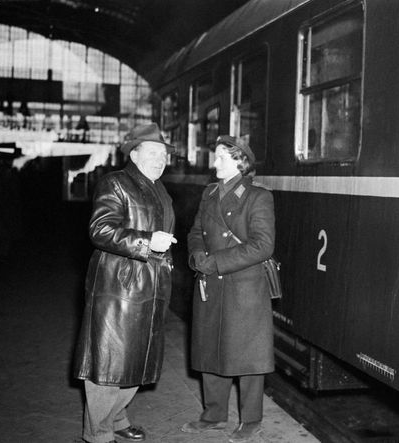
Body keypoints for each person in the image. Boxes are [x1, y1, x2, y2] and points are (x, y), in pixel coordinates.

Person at [73, 123, 177, 443]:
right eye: (154, 152)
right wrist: (147, 242)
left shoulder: (158, 188)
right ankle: (98, 434)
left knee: (136, 360)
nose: (161, 160)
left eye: (164, 154)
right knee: (108, 363)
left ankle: (118, 418)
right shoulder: (116, 183)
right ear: (134, 153)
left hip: (151, 285)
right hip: (119, 287)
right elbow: (100, 230)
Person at [182, 135, 275, 443]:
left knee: (248, 357)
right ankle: (213, 415)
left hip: (243, 287)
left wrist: (215, 262)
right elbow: (195, 232)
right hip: (211, 282)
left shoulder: (258, 197)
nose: (215, 163)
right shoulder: (209, 194)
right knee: (211, 348)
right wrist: (197, 256)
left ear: (240, 161)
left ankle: (251, 420)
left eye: (221, 157)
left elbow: (262, 246)